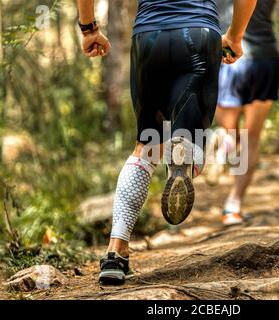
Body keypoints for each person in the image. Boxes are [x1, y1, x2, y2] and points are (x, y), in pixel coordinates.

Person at [76, 0, 257, 284]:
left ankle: (115, 252)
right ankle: (183, 149)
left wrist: (89, 28)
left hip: (150, 37)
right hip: (200, 34)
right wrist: (235, 35)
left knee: (146, 146)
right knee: (193, 135)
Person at [211, 0, 279, 226]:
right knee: (251, 138)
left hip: (225, 56)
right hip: (264, 59)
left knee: (230, 130)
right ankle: (233, 205)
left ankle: (224, 142)